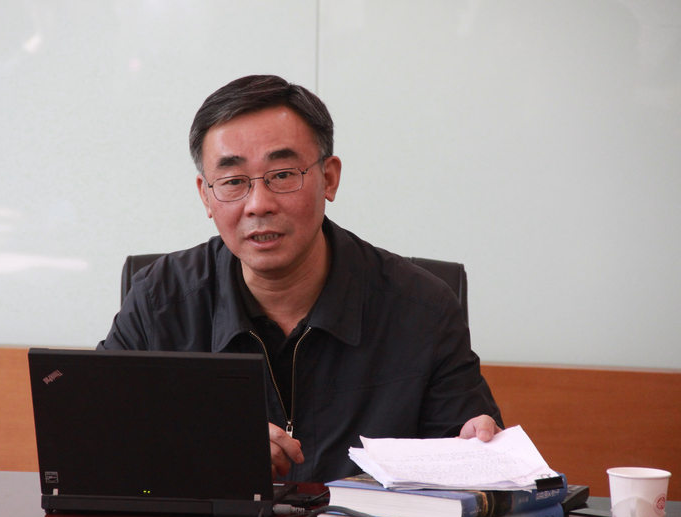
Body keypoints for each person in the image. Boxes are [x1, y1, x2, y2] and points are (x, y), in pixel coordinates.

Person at [98, 74, 503, 483]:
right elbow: (94, 442)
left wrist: (478, 454)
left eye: (282, 174)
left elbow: (472, 469)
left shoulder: (424, 310)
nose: (258, 204)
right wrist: (210, 449)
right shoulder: (159, 303)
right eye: (234, 182)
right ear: (206, 195)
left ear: (329, 178)